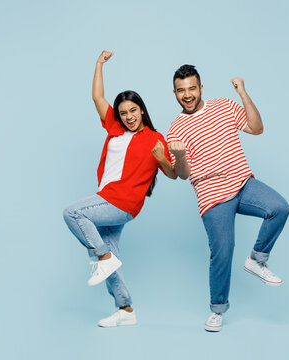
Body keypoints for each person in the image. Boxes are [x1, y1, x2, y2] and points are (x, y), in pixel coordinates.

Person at [166, 65, 289, 332]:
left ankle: (257, 259)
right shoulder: (176, 128)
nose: (187, 95)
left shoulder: (224, 105)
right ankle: (217, 309)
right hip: (213, 197)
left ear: (200, 88)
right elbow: (183, 175)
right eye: (181, 90)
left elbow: (257, 129)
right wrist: (180, 155)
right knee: (223, 251)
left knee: (279, 207)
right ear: (175, 93)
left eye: (191, 88)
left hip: (243, 183)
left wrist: (243, 93)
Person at [63, 51, 176, 328]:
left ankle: (102, 258)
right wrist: (99, 64)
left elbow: (174, 174)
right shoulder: (114, 127)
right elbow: (97, 98)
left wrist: (164, 159)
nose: (128, 117)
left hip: (121, 202)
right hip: (106, 198)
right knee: (113, 258)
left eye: (133, 111)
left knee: (73, 213)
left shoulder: (154, 138)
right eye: (123, 112)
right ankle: (125, 309)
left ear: (142, 110)